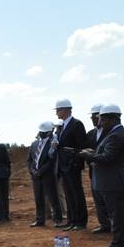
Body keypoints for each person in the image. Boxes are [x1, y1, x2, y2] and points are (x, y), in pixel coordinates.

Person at [78, 105, 124, 247]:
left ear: (112, 119)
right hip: (113, 181)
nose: (100, 122)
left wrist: (88, 155)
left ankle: (117, 246)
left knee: (117, 215)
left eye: (103, 119)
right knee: (119, 214)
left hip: (113, 182)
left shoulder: (116, 135)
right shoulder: (115, 133)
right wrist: (94, 153)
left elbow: (108, 158)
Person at [54, 99, 88, 231]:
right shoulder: (61, 126)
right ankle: (71, 220)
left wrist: (76, 163)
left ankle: (80, 221)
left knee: (76, 193)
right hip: (62, 164)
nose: (57, 112)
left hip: (72, 165)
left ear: (67, 110)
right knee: (68, 194)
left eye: (58, 110)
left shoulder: (76, 124)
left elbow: (82, 146)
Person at [28, 122, 63, 227]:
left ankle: (58, 220)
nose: (41, 134)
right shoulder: (34, 144)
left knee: (53, 198)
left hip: (47, 175)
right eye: (40, 132)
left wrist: (40, 171)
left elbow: (51, 161)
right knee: (38, 198)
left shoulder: (53, 144)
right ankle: (40, 219)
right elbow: (30, 160)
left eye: (43, 132)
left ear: (49, 133)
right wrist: (32, 170)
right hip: (36, 176)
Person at [86, 105, 110, 234]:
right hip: (93, 170)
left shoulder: (110, 133)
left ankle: (114, 224)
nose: (92, 118)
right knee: (97, 198)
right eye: (92, 116)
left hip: (107, 171)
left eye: (95, 116)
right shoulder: (91, 134)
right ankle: (104, 224)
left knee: (108, 199)